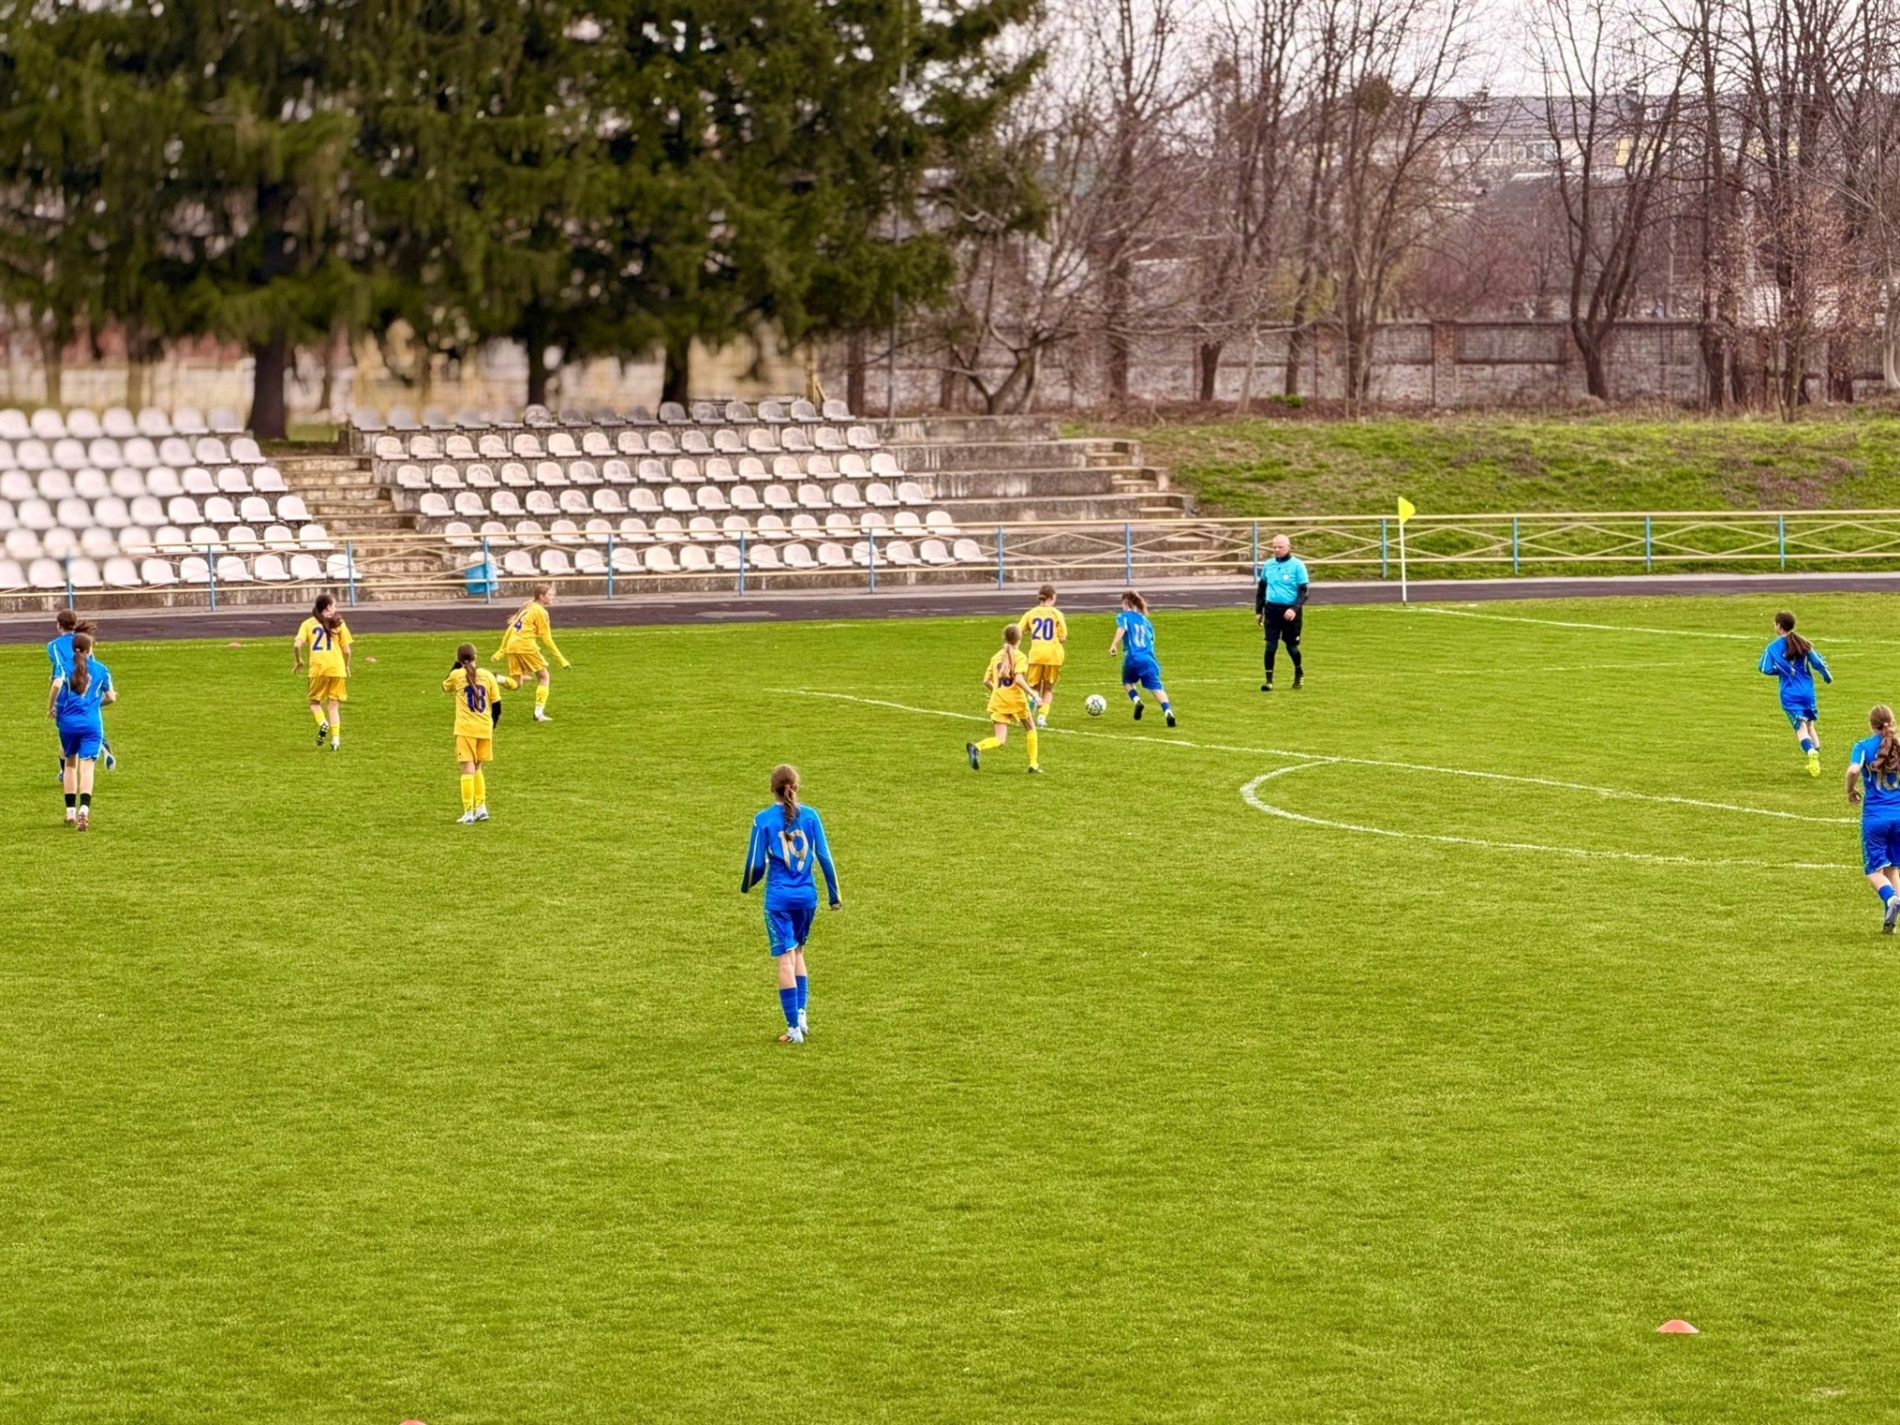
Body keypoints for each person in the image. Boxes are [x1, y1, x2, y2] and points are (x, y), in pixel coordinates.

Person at [740, 764, 841, 1043]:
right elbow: (824, 856)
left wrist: (746, 885)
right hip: (807, 897)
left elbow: (755, 864)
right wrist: (834, 896)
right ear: (795, 787)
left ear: (771, 788)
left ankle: (793, 1029)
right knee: (799, 952)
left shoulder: (762, 820)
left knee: (785, 957)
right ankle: (802, 1015)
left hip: (778, 899)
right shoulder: (811, 816)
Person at [48, 631, 115, 831]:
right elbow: (111, 697)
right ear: (90, 650)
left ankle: (70, 812)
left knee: (69, 764)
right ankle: (84, 809)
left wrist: (50, 706)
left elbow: (57, 683)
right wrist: (96, 704)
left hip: (67, 723)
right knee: (88, 767)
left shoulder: (63, 667)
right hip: (92, 724)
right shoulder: (101, 669)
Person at [1847, 704, 1900, 933]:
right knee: (1893, 870)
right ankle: (1892, 919)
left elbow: (1852, 771)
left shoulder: (1863, 746)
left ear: (1871, 725)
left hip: (1876, 818)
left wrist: (1850, 790)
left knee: (1873, 871)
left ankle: (1891, 900)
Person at [1760, 610, 1832, 777]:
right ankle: (1815, 759)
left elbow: (1765, 668)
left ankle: (1810, 753)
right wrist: (1827, 676)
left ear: (1778, 626)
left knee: (1800, 729)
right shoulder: (1803, 644)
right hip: (1807, 691)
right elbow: (1818, 663)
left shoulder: (1773, 647)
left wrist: (1782, 671)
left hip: (1790, 693)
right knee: (1810, 726)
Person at [444, 642, 509, 823]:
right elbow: (497, 705)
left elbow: (445, 686)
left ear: (458, 659)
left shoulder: (457, 675)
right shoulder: (487, 675)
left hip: (466, 728)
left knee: (467, 769)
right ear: (476, 657)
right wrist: (493, 726)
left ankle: (468, 812)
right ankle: (481, 808)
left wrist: (457, 665)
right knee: (478, 768)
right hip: (484, 727)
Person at [966, 623, 1042, 773]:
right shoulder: (1019, 656)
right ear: (1019, 639)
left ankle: (977, 747)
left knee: (1000, 739)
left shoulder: (996, 657)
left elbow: (986, 680)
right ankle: (1033, 764)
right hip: (1016, 699)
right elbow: (1019, 680)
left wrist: (1000, 692)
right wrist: (1033, 694)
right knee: (1030, 728)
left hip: (998, 699)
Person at [48, 609, 114, 774]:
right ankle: (101, 742)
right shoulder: (83, 640)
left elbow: (59, 667)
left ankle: (65, 773)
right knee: (88, 720)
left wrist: (54, 679)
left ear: (58, 626)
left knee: (67, 734)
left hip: (66, 690)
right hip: (88, 686)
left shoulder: (54, 646)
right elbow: (90, 663)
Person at [493, 582, 570, 722]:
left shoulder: (528, 607)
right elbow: (547, 639)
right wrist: (561, 659)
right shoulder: (541, 612)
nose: (553, 597)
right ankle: (538, 714)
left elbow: (511, 628)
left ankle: (495, 678)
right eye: (550, 595)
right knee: (544, 677)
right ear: (541, 596)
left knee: (516, 684)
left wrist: (502, 650)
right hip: (526, 646)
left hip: (513, 646)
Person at [292, 593, 352, 750]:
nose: (336, 608)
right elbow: (347, 651)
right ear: (328, 607)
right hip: (337, 669)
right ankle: (336, 740)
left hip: (318, 670)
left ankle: (323, 723)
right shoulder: (339, 623)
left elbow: (297, 645)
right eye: (334, 605)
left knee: (314, 703)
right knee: (333, 706)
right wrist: (346, 666)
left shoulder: (308, 624)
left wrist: (299, 661)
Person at [1109, 590, 1176, 727]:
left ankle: (1137, 700)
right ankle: (1168, 711)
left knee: (1127, 682)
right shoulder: (1146, 621)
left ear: (1126, 602)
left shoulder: (1124, 616)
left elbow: (1122, 628)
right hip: (1148, 658)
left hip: (1133, 657)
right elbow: (1151, 640)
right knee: (1157, 688)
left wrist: (1114, 645)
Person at [1255, 533, 1309, 692]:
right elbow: (1262, 589)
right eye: (1274, 547)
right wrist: (1259, 610)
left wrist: (1294, 608)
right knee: (1270, 645)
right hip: (1272, 610)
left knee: (1291, 647)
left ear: (1288, 547)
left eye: (1280, 547)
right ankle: (1269, 681)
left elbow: (1304, 592)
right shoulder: (1268, 565)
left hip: (1290, 612)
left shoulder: (1297, 565)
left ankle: (1299, 671)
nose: (1277, 550)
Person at [1016, 584, 1068, 729]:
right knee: (1048, 688)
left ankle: (1032, 703)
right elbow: (1063, 637)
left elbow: (1018, 631)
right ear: (1052, 598)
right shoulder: (1056, 614)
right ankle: (1041, 717)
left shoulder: (1030, 614)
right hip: (1053, 656)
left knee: (1033, 686)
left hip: (1036, 655)